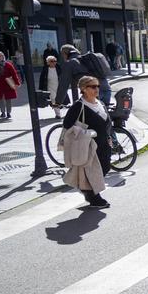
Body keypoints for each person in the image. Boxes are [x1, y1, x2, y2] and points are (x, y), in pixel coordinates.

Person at [62, 75, 112, 208]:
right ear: (83, 88)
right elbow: (67, 124)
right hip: (88, 146)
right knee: (92, 170)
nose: (97, 89)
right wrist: (83, 133)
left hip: (104, 143)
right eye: (93, 86)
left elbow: (106, 123)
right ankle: (93, 197)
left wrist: (109, 137)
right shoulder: (79, 106)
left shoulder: (100, 103)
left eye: (98, 86)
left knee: (105, 166)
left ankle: (88, 192)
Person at [0, 51, 21, 119]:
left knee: (8, 99)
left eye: (1, 56)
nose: (0, 58)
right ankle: (2, 112)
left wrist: (17, 83)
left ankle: (8, 113)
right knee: (0, 98)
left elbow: (14, 74)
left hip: (7, 83)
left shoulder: (8, 64)